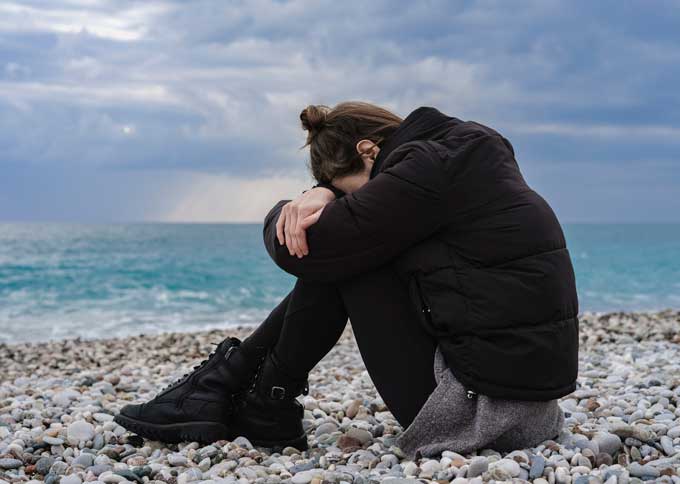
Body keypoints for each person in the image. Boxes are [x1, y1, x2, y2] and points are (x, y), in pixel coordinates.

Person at [114, 102, 579, 458]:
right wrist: (324, 192)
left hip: (484, 414)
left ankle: (246, 395)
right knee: (353, 250)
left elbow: (307, 250)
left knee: (348, 259)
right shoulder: (459, 155)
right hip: (529, 407)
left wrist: (289, 210)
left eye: (349, 192)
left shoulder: (426, 171)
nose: (353, 201)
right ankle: (252, 398)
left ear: (368, 151)